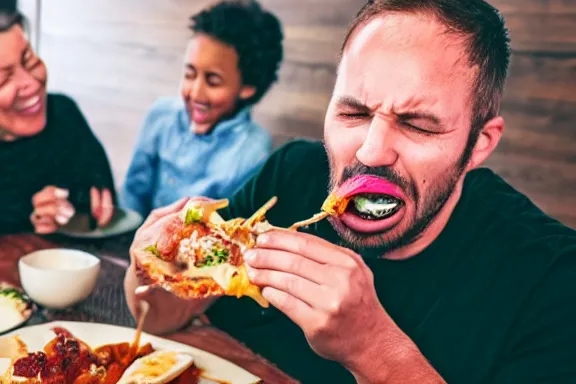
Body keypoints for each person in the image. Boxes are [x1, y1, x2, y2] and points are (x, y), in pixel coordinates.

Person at [124, 0, 576, 383]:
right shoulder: (291, 174)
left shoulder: (552, 279)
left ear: (479, 143)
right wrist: (151, 267)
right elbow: (160, 316)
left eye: (417, 124)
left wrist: (373, 348)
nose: (372, 150)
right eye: (354, 114)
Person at [121, 0, 282, 218]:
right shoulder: (161, 116)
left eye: (213, 81)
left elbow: (226, 227)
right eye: (189, 74)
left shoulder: (253, 152)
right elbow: (132, 196)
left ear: (248, 87)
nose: (195, 93)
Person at [0, 0, 116, 235]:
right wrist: (26, 216)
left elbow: (102, 198)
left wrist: (88, 205)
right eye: (3, 79)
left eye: (29, 59)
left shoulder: (65, 115)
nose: (31, 84)